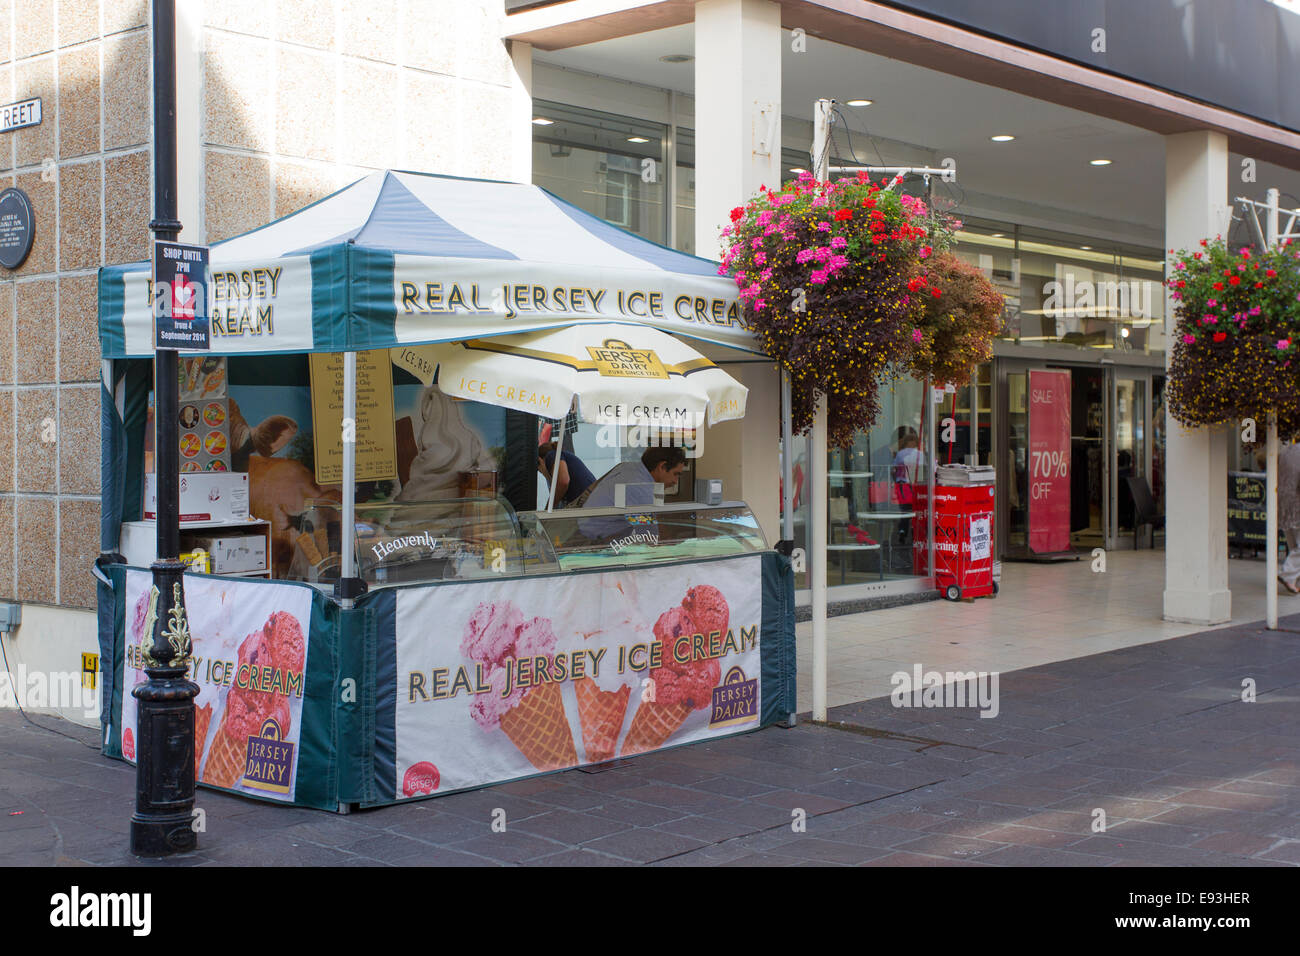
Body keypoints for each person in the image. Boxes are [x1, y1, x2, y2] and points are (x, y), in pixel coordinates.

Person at [575, 446, 686, 541]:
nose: (675, 481)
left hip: (585, 530)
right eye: (676, 474)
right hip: (592, 541)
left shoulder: (629, 468)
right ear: (662, 466)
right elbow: (649, 538)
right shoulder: (639, 488)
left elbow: (647, 523)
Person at [538, 440, 596, 507]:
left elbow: (563, 482)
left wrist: (548, 508)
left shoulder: (551, 455)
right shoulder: (564, 457)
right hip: (592, 498)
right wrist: (546, 474)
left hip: (587, 499)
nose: (540, 472)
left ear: (540, 460)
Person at [1278, 442, 1300, 593]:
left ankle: (1293, 578)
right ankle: (1288, 574)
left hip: (1284, 504)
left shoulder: (1288, 451)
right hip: (1297, 502)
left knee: (1294, 545)